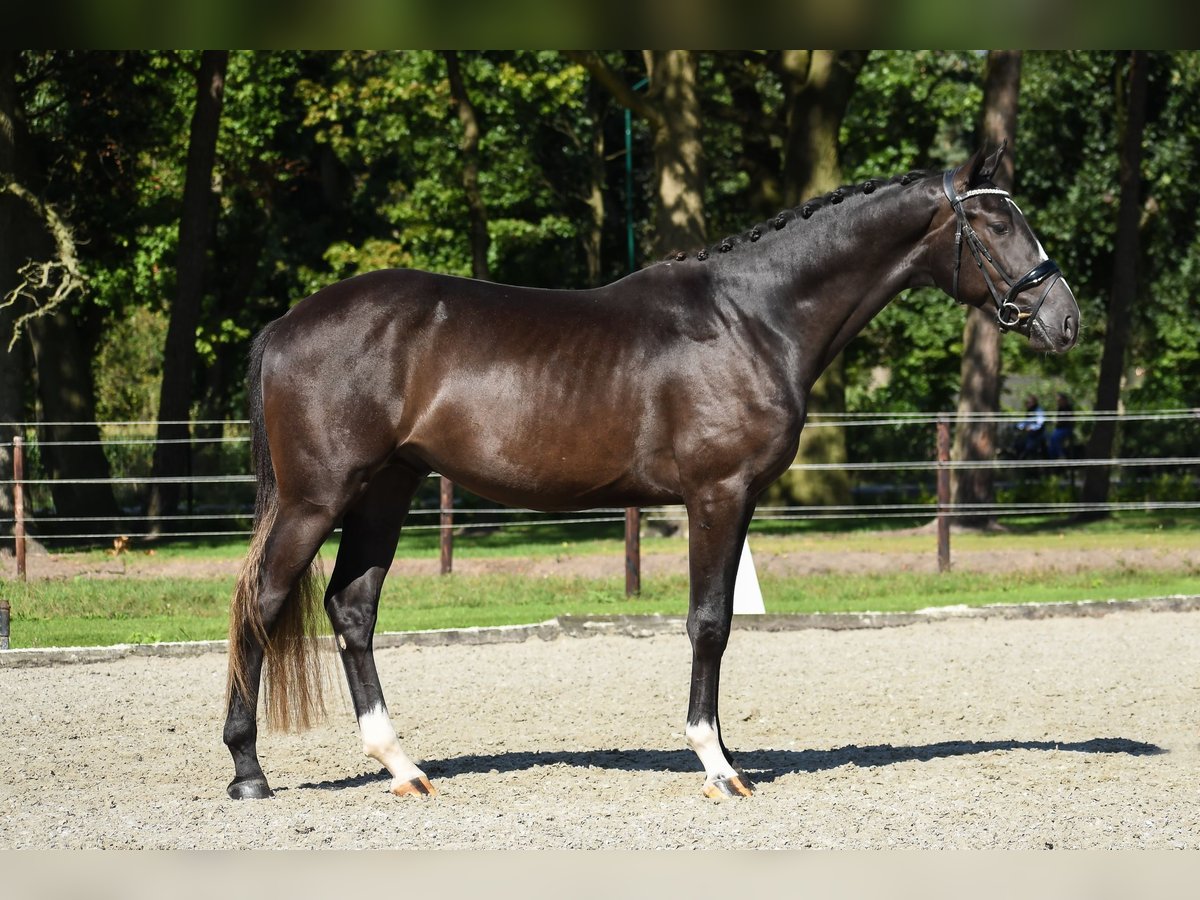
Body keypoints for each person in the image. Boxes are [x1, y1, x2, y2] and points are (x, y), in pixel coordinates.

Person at [1014, 394, 1046, 458]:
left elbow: (1040, 424)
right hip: (1029, 435)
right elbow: (1025, 422)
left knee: (1029, 448)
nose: (1026, 404)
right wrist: (1018, 426)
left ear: (1034, 402)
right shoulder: (1030, 410)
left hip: (1037, 435)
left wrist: (1031, 427)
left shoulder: (1038, 411)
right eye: (1026, 402)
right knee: (1017, 445)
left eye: (1028, 402)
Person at [1048, 392, 1075, 459]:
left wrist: (1057, 422)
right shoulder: (1060, 408)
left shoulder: (1068, 408)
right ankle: (1053, 459)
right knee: (1051, 439)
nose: (1058, 402)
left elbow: (1068, 421)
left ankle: (1061, 455)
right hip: (1059, 429)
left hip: (1066, 429)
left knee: (1055, 438)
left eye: (1059, 400)